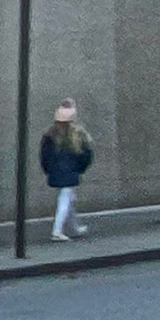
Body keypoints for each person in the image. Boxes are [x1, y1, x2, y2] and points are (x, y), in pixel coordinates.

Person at [41, 100, 95, 240]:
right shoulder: (77, 135)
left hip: (56, 171)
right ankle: (57, 231)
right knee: (65, 198)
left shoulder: (49, 135)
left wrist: (48, 170)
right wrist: (80, 169)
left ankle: (75, 228)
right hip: (71, 171)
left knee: (68, 198)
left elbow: (44, 156)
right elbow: (86, 155)